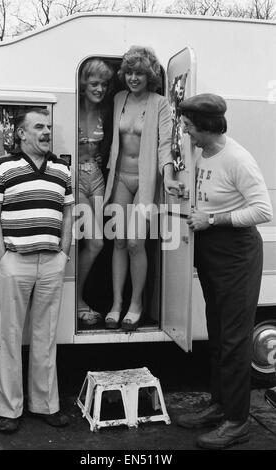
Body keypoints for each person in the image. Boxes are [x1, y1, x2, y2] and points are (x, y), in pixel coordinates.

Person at [174, 93, 273, 449]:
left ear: (206, 126)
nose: (185, 132)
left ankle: (237, 422)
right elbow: (206, 193)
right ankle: (219, 406)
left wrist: (213, 218)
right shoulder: (202, 152)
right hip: (213, 251)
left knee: (233, 340)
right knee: (217, 335)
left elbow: (263, 211)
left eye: (188, 126)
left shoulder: (238, 159)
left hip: (237, 254)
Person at [0, 107, 74, 433]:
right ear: (21, 133)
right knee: (10, 337)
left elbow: (68, 215)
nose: (46, 131)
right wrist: (3, 257)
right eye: (39, 127)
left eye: (48, 126)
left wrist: (63, 253)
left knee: (45, 336)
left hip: (51, 262)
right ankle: (8, 410)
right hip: (15, 261)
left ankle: (45, 405)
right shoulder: (2, 167)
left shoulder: (61, 170)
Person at [104, 46, 182, 330]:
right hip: (120, 178)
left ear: (150, 76)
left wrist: (169, 176)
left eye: (140, 73)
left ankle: (136, 303)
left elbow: (164, 145)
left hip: (146, 180)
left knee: (137, 242)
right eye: (130, 73)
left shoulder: (159, 102)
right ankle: (115, 303)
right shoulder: (118, 99)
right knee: (119, 241)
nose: (134, 78)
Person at [77, 59, 114, 326]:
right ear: (83, 84)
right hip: (75, 178)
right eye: (94, 83)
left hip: (97, 177)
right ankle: (77, 300)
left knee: (95, 243)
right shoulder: (72, 107)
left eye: (103, 84)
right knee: (94, 241)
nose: (99, 89)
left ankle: (79, 297)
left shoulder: (105, 112)